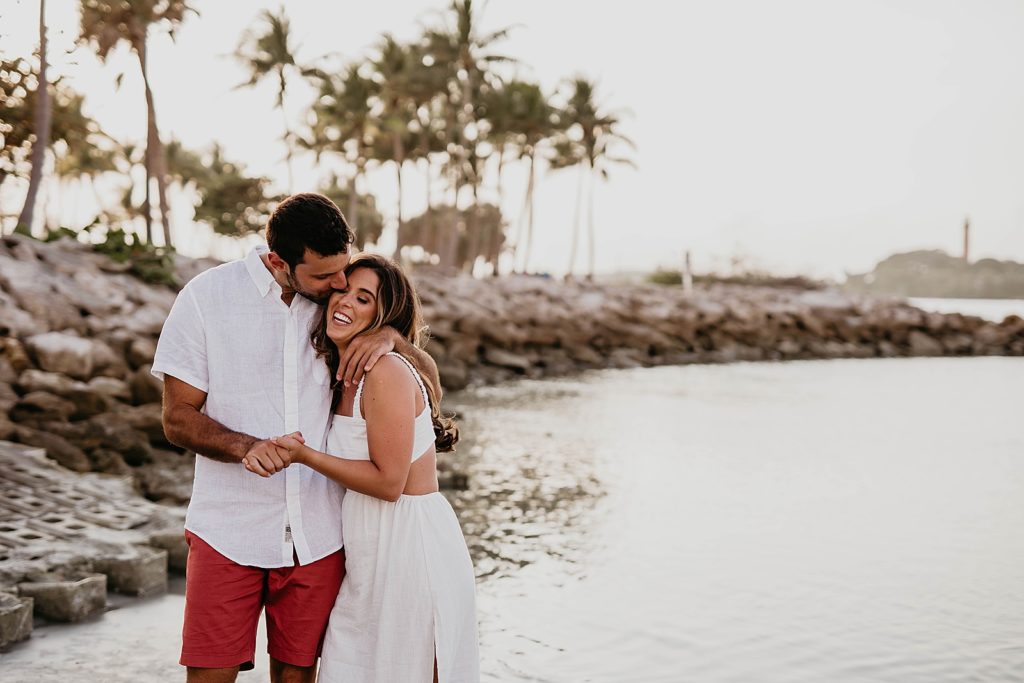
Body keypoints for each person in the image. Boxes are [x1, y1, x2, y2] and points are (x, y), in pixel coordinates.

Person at [153, 193, 436, 683]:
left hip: (319, 531)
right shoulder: (205, 298)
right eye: (325, 277)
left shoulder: (339, 307)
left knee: (297, 677)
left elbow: (424, 380)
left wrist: (394, 339)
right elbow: (177, 418)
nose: (340, 285)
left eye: (343, 270)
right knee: (209, 675)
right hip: (228, 529)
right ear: (279, 262)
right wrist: (247, 447)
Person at [246, 254, 480, 682]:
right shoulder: (342, 371)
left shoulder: (385, 371)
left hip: (409, 548)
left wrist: (302, 456)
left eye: (363, 298)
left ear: (384, 315)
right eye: (342, 290)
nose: (345, 302)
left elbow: (390, 483)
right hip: (368, 550)